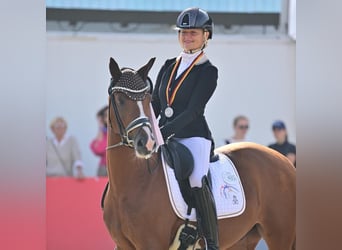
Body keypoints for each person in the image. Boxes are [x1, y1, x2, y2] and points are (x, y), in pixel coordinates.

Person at [152, 7, 219, 249]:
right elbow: (155, 103)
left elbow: (194, 111)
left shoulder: (208, 71)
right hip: (164, 135)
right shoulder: (169, 65)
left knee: (197, 179)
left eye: (192, 32)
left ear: (206, 36)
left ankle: (211, 241)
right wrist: (149, 126)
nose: (187, 37)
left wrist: (164, 131)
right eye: (183, 32)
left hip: (194, 136)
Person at [90, 105, 108, 177]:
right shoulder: (103, 133)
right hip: (104, 168)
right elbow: (98, 150)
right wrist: (100, 127)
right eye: (106, 116)